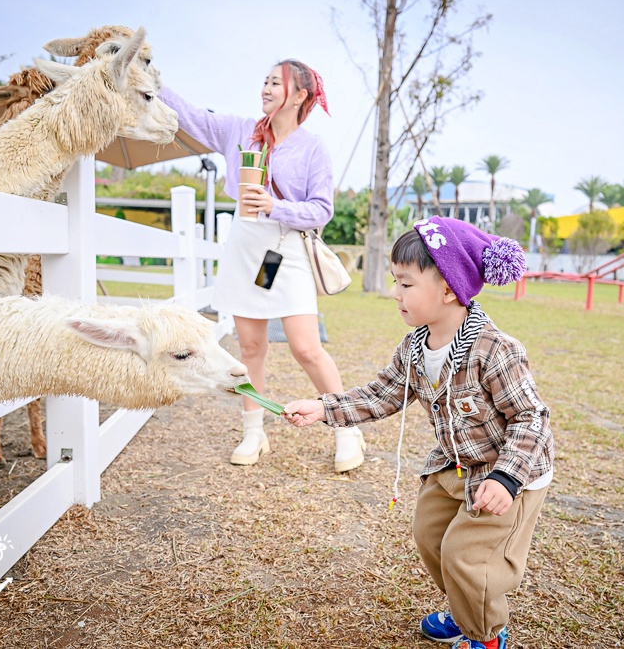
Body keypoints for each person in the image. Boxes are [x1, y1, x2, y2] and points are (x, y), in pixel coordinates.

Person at [283, 217, 554, 649]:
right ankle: (465, 607)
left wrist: (508, 478)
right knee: (430, 536)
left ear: (448, 288)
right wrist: (322, 407)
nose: (395, 293)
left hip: (507, 475)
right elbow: (380, 394)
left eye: (405, 284)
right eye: (395, 282)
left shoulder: (494, 349)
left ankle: (485, 636)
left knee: (467, 555)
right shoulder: (414, 347)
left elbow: (531, 418)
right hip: (457, 465)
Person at [158, 60, 365, 472]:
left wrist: (276, 205)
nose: (267, 88)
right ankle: (254, 430)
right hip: (244, 247)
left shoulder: (312, 148)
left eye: (277, 82)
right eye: (265, 81)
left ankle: (347, 429)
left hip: (286, 251)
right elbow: (191, 116)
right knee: (251, 348)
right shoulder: (240, 131)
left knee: (306, 347)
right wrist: (148, 75)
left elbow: (322, 210)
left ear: (301, 95)